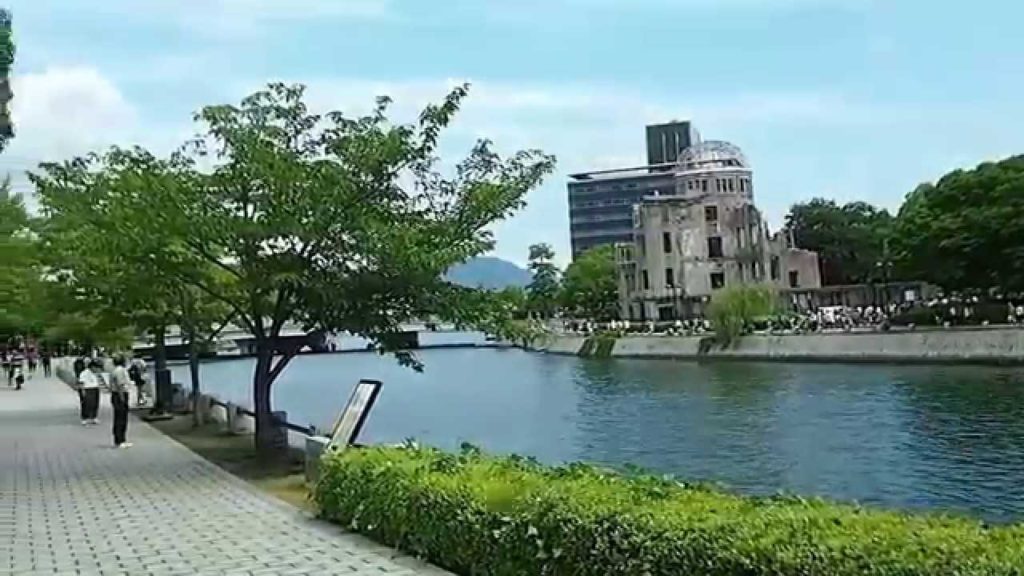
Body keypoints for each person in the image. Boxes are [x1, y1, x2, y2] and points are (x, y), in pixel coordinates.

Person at [108, 357, 133, 448]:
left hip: (116, 395)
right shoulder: (120, 371)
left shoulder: (114, 370)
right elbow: (120, 385)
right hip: (120, 395)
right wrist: (122, 397)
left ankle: (120, 439)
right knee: (121, 418)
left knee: (119, 417)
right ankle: (120, 440)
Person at [78, 360, 102, 426]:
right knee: (86, 404)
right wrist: (83, 391)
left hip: (95, 388)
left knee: (95, 403)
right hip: (87, 389)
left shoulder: (95, 373)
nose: (97, 369)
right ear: (92, 367)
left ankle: (94, 417)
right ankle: (84, 418)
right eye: (96, 367)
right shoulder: (84, 373)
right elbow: (81, 383)